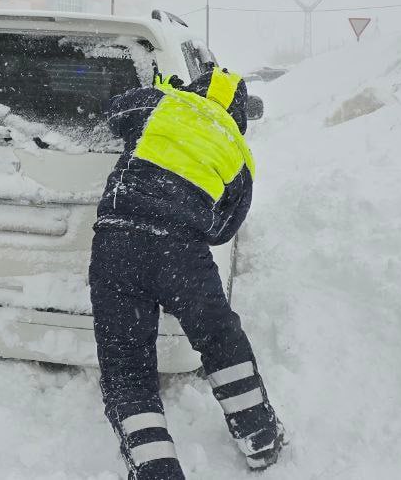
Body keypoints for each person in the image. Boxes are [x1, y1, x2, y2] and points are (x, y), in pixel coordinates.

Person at [89, 65, 284, 478]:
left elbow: (113, 112)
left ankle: (156, 469)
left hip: (116, 240)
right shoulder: (239, 152)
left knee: (126, 363)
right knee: (220, 339)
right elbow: (222, 231)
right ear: (238, 113)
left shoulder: (161, 102)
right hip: (180, 253)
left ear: (196, 88)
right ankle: (260, 438)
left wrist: (158, 96)